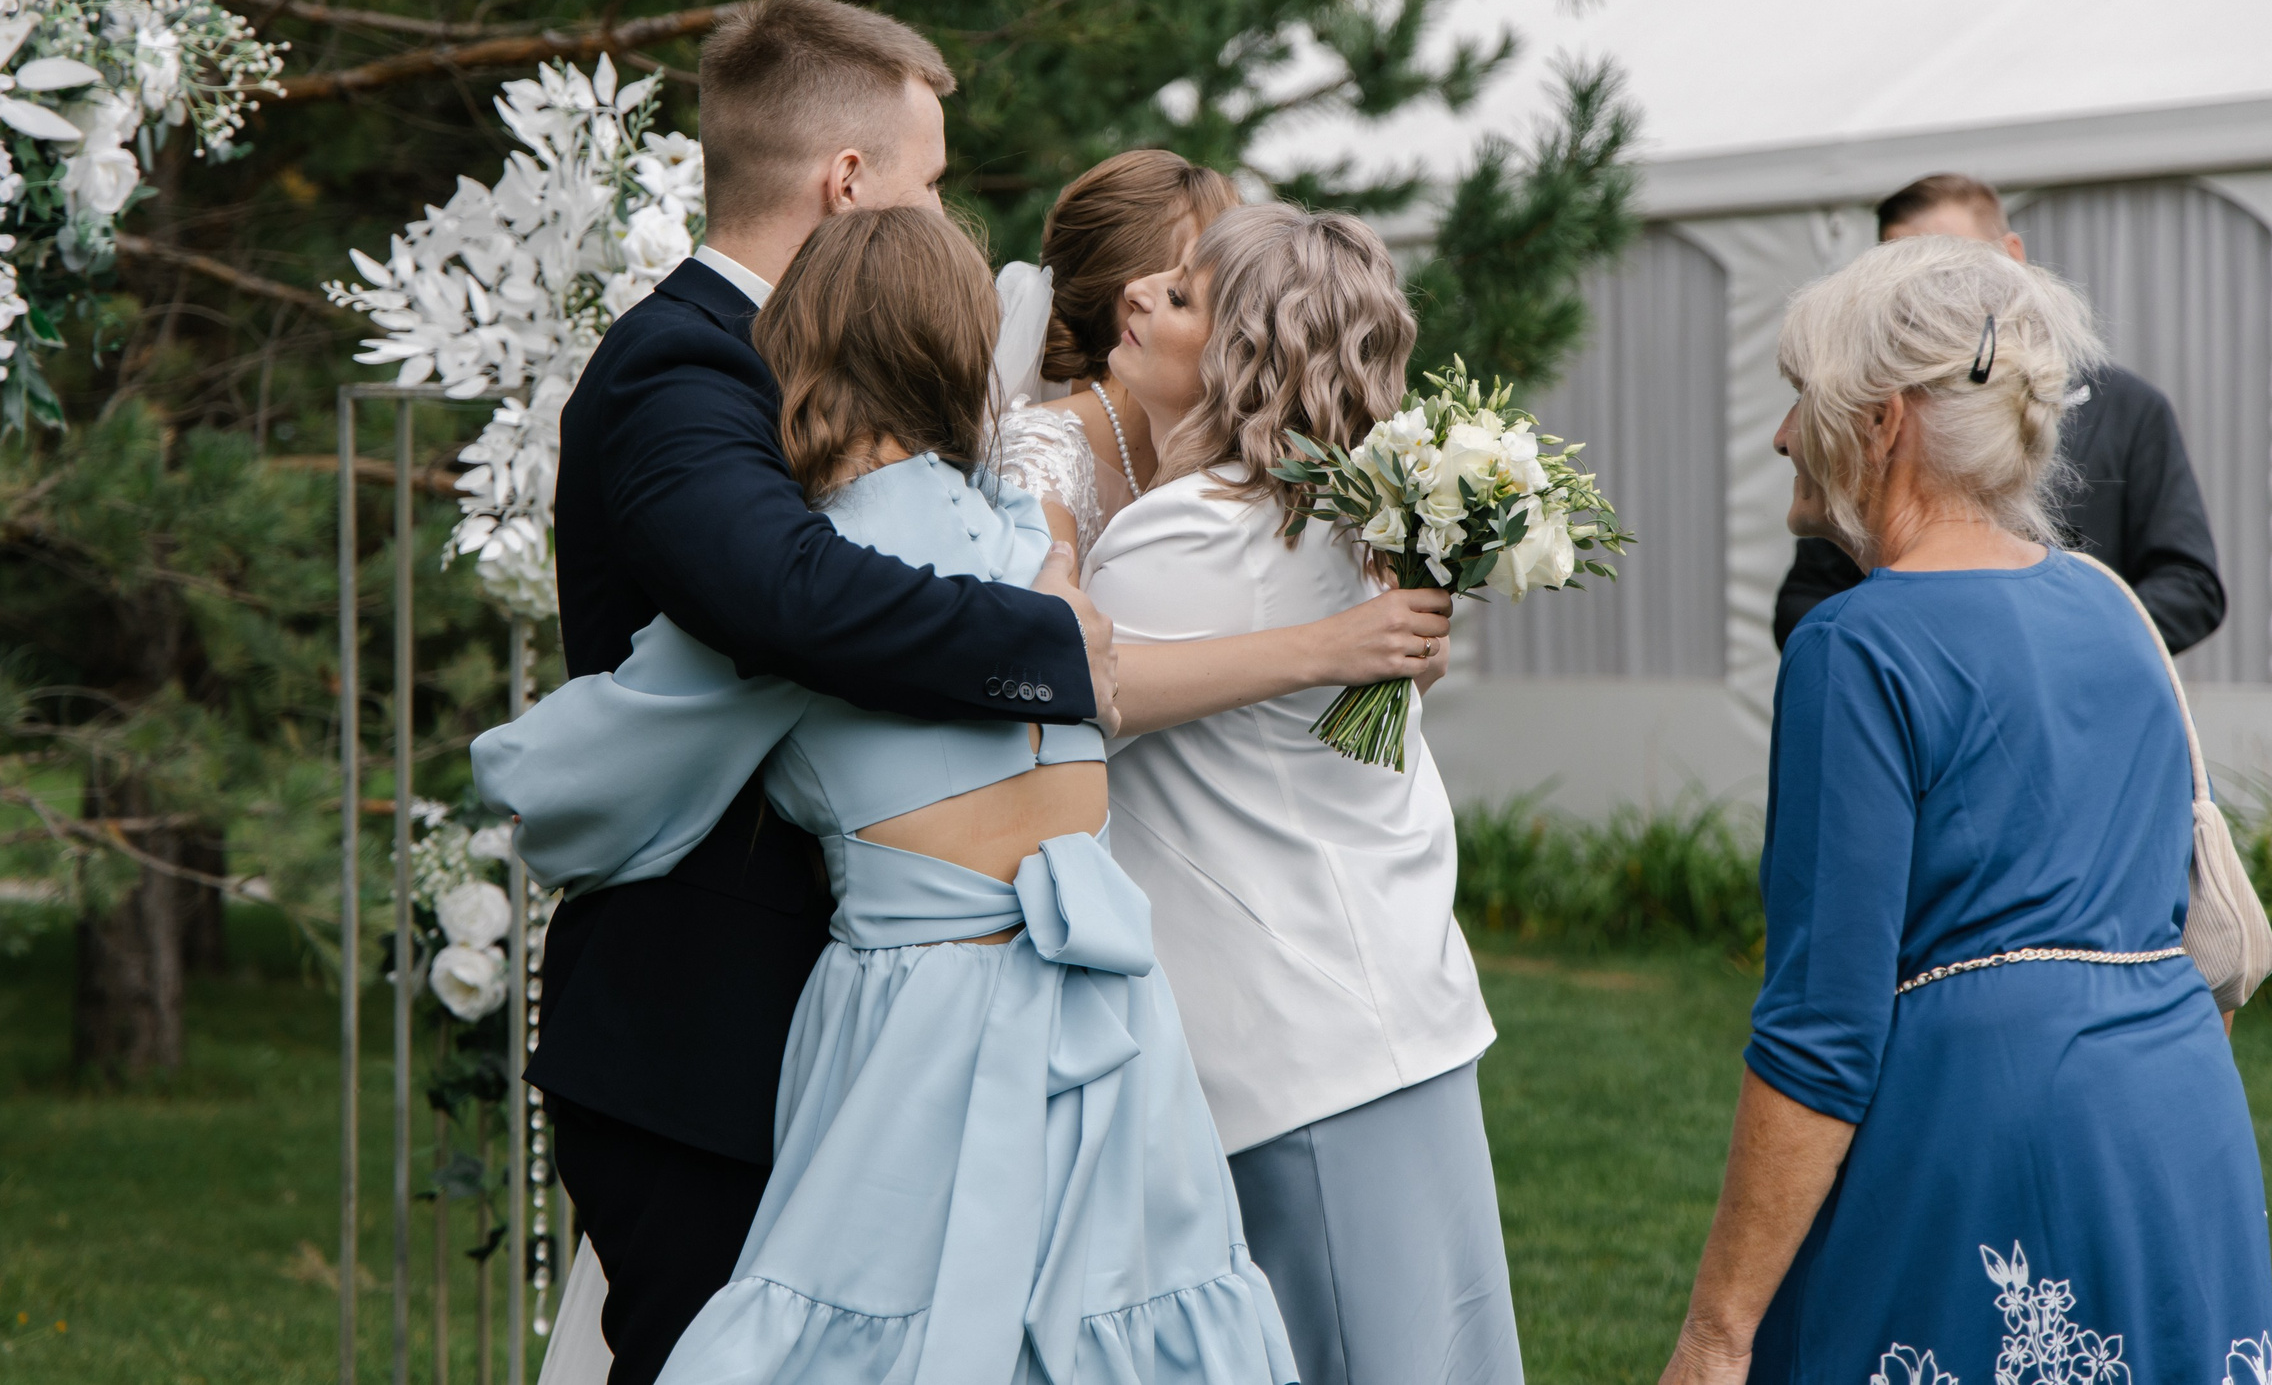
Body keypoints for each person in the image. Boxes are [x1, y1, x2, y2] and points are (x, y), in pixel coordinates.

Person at [483, 206, 1300, 1385]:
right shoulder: (1039, 555)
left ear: (798, 344)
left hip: (917, 1029)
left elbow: (565, 782)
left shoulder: (812, 599)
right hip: (1115, 1032)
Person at [535, 0, 1115, 1383]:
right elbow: (783, 595)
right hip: (699, 1026)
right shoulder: (682, 366)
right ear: (846, 184)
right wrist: (1054, 641)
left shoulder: (810, 373)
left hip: (825, 1009)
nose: (938, 212)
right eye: (927, 181)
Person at [1658, 236, 2272, 1385]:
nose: (1782, 435)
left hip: (1981, 1149)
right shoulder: (2108, 608)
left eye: (1802, 399)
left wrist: (1715, 1330)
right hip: (2177, 1139)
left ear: (1883, 422)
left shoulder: (1854, 647)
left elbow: (1819, 1029)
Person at [1084, 203, 1526, 1385]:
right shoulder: (1364, 528)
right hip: (1408, 1019)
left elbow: (1064, 716)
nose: (1134, 299)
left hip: (1292, 1057)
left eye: (1177, 295)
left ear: (1240, 357)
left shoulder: (1180, 539)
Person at [1771, 172, 2225, 654]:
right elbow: (1807, 595)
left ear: (2012, 256)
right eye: (1899, 275)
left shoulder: (2129, 408)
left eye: (1950, 268)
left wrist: (2063, 639)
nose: (1922, 295)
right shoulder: (1873, 425)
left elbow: (2190, 584)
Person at [996, 150, 1241, 558]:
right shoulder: (1041, 451)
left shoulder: (1244, 439)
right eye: (1199, 282)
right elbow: (1056, 622)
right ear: (1137, 299)